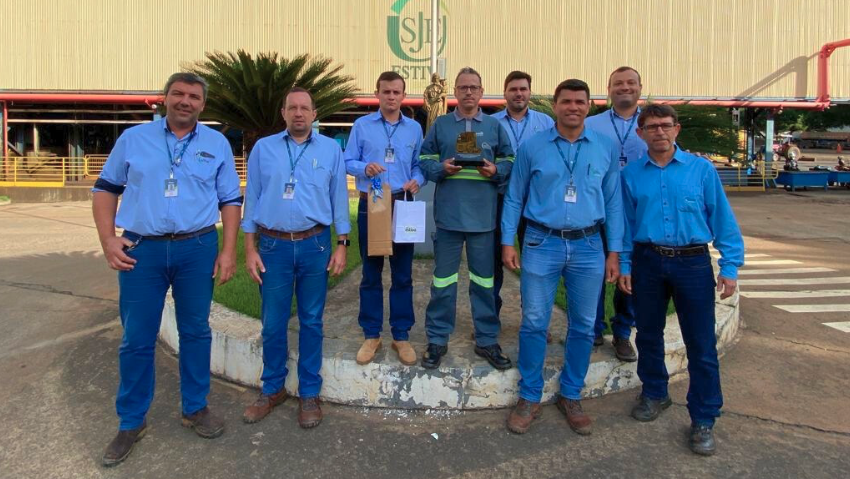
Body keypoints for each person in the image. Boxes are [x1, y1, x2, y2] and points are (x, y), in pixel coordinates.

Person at [92, 72, 243, 466]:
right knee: (137, 338)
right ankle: (131, 421)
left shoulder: (217, 144)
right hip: (142, 251)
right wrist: (108, 239)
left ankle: (195, 407)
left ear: (202, 104)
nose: (185, 101)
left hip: (197, 248)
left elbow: (230, 200)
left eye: (193, 96)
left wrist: (228, 251)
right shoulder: (134, 139)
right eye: (178, 94)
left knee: (196, 331)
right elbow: (105, 189)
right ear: (165, 98)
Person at [618, 104, 744, 456]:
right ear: (640, 133)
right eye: (651, 127)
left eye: (665, 125)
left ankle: (704, 417)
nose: (659, 131)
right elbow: (625, 226)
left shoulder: (701, 170)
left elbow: (722, 220)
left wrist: (730, 267)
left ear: (677, 129)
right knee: (648, 334)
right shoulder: (631, 176)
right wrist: (625, 265)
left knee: (701, 343)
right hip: (647, 262)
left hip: (692, 264)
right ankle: (654, 392)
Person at [502, 79, 623, 435]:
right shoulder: (533, 146)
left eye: (580, 102)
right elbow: (514, 196)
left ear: (589, 106)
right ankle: (529, 395)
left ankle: (571, 393)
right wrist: (507, 241)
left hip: (589, 245)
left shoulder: (605, 146)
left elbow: (613, 201)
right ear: (554, 106)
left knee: (584, 324)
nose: (573, 107)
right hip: (542, 242)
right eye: (566, 101)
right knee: (534, 321)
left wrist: (615, 251)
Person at [241, 87, 350, 429]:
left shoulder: (330, 149)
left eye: (305, 108)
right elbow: (252, 197)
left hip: (315, 245)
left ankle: (309, 392)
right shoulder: (264, 149)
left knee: (312, 321)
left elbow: (339, 198)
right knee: (273, 322)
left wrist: (342, 243)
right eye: (293, 108)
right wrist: (249, 248)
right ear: (284, 113)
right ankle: (272, 388)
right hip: (272, 248)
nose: (299, 113)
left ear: (315, 114)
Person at [418, 67, 514, 370]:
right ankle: (437, 338)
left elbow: (510, 159)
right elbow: (424, 158)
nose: (468, 92)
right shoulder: (441, 124)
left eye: (473, 87)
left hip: (483, 219)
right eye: (463, 87)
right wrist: (440, 169)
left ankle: (486, 339)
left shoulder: (495, 126)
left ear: (482, 92)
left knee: (484, 283)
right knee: (443, 282)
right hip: (449, 218)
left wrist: (496, 170)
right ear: (455, 92)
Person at [344, 71, 424, 366]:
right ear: (377, 93)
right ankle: (371, 334)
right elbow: (347, 160)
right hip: (373, 201)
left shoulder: (414, 128)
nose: (391, 97)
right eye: (386, 91)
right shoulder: (362, 126)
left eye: (396, 92)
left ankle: (401, 335)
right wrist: (364, 168)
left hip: (402, 203)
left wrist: (417, 179)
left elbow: (419, 165)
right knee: (371, 272)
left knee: (403, 274)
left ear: (404, 95)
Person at [585, 66, 647, 362]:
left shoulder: (652, 124)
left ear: (640, 87)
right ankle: (593, 327)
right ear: (608, 89)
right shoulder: (591, 124)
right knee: (593, 271)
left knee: (630, 274)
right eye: (618, 83)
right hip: (597, 211)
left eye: (631, 82)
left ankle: (622, 332)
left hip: (637, 213)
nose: (625, 87)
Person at [490, 71, 554, 321]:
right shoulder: (491, 123)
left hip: (535, 203)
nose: (518, 93)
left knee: (535, 265)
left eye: (523, 89)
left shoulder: (545, 122)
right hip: (498, 199)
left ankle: (534, 320)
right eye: (513, 89)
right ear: (505, 93)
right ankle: (490, 319)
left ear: (529, 92)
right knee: (493, 261)